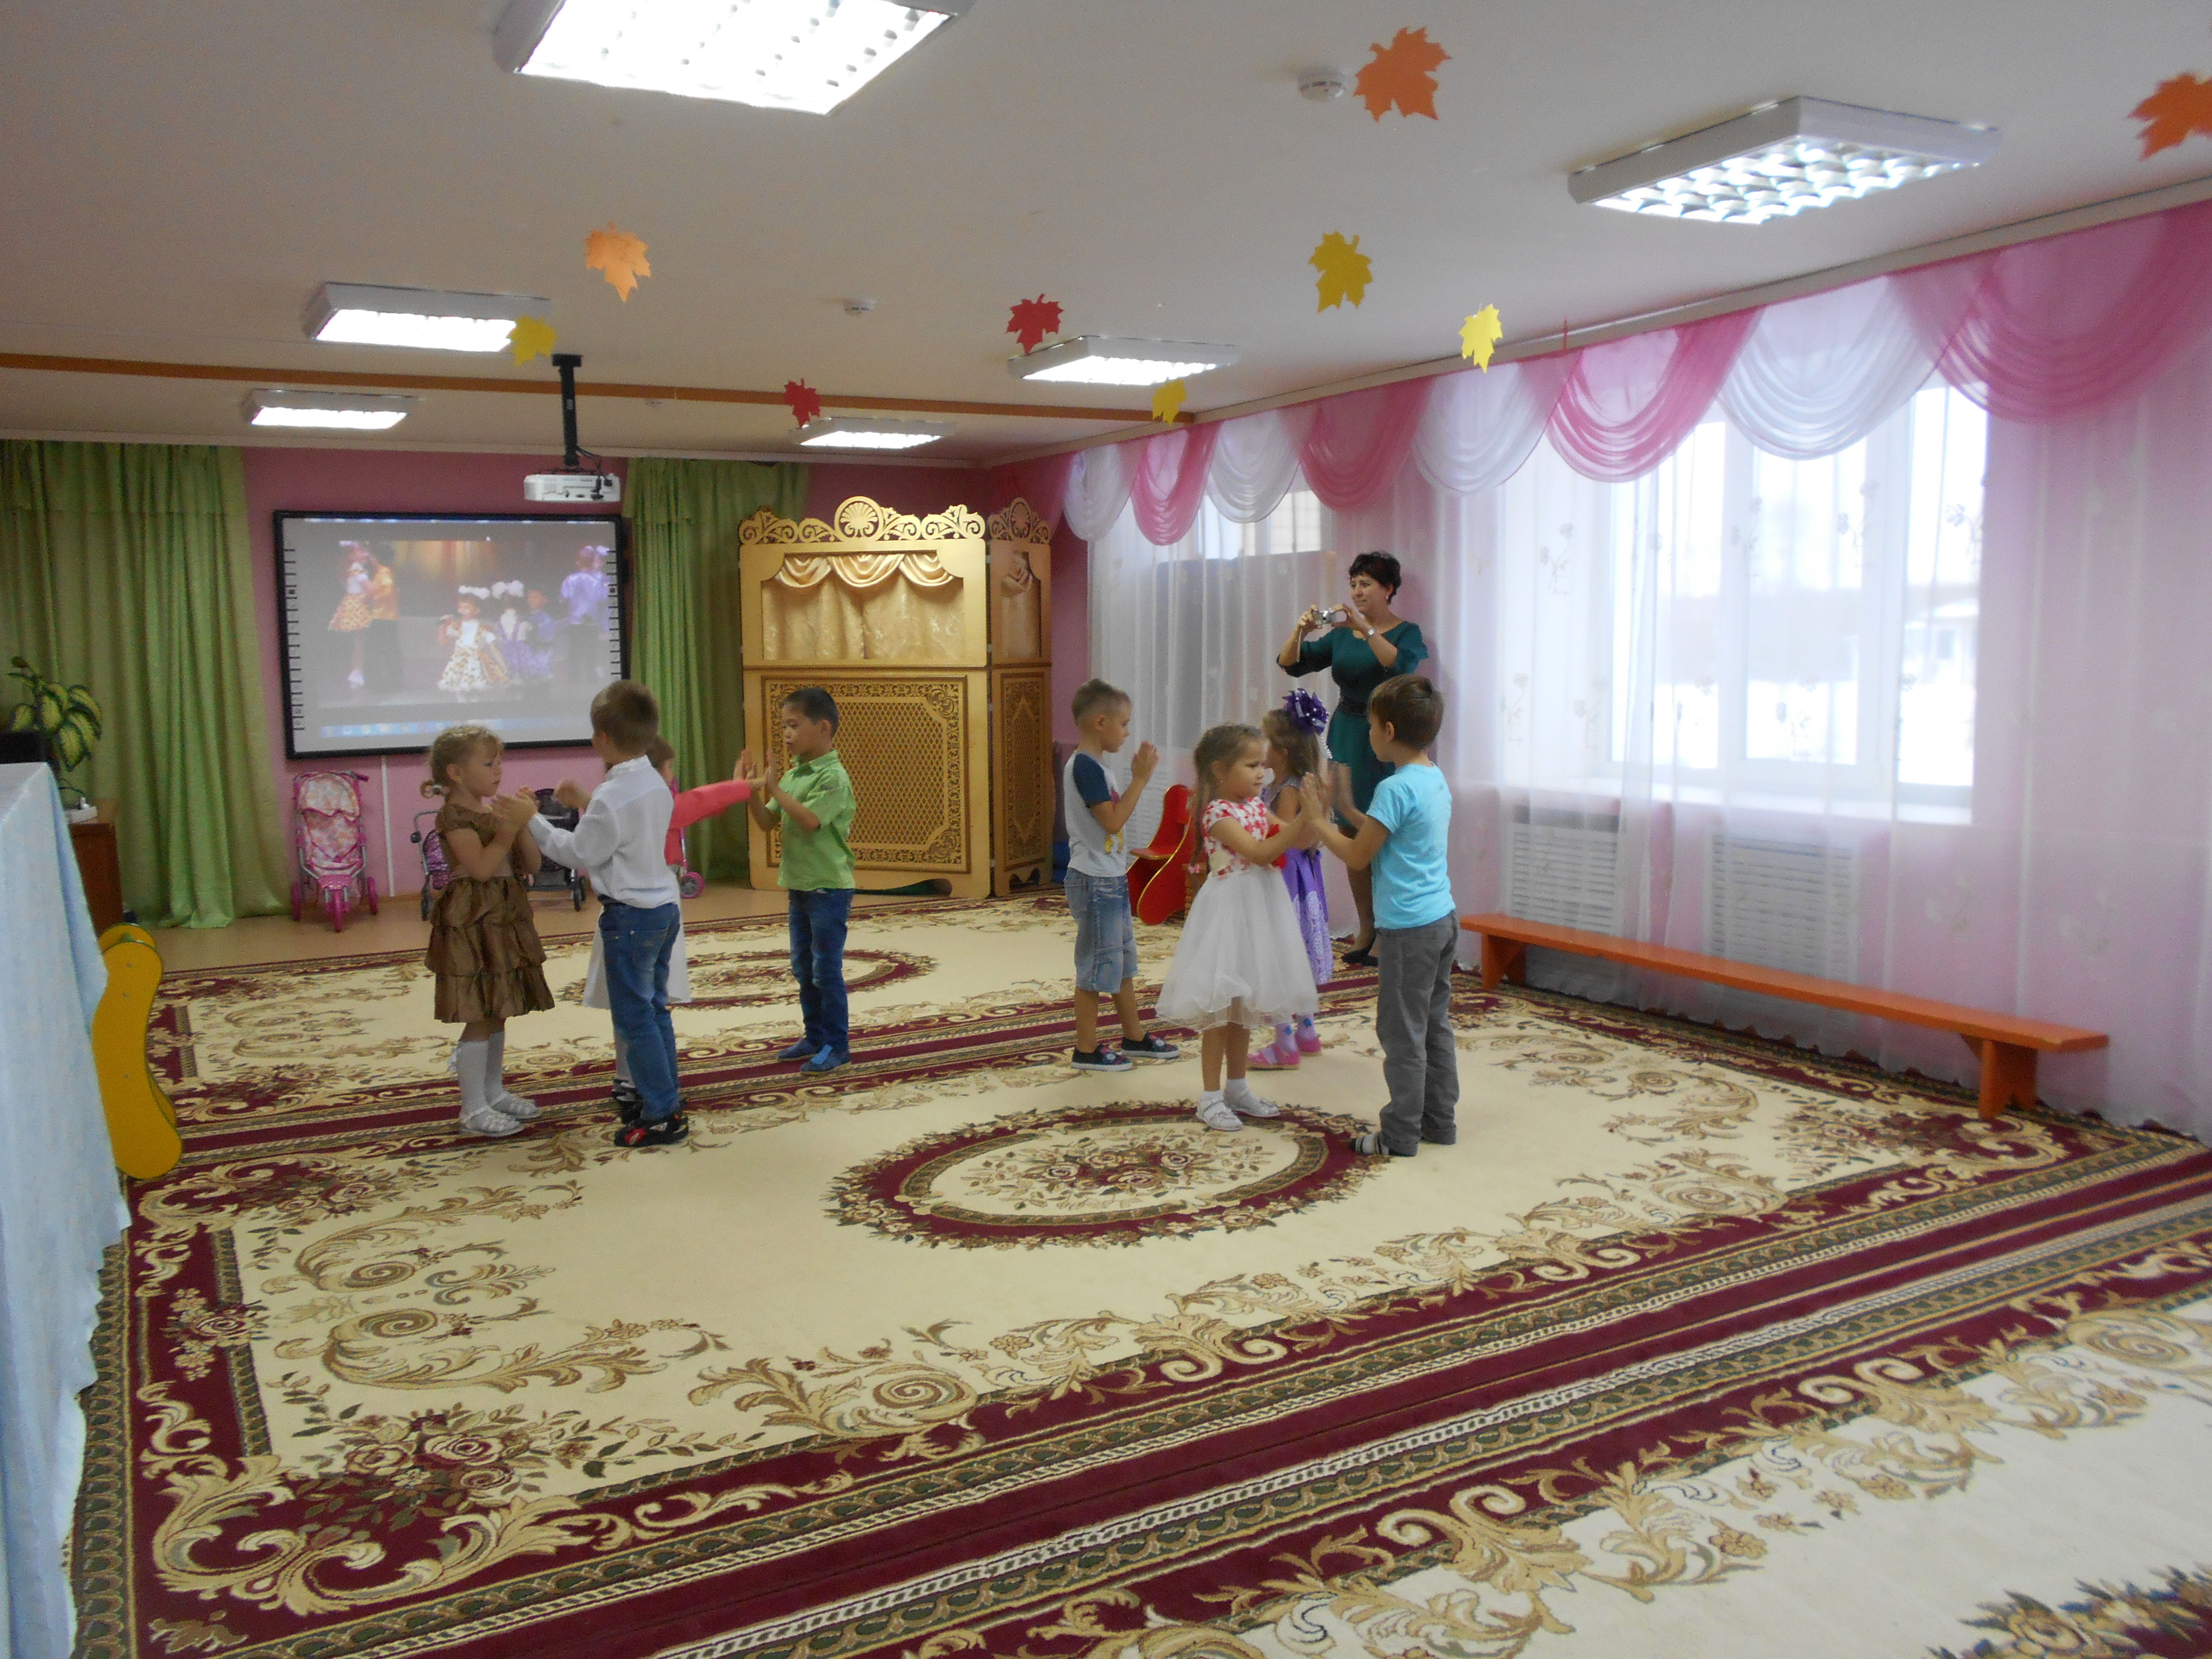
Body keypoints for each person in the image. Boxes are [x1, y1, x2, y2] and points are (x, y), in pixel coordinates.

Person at [1299, 675, 1459, 1158]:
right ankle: (1439, 1122)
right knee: (1433, 1025)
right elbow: (1388, 833)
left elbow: (1358, 855)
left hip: (1409, 929)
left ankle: (1400, 1134)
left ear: (1388, 731)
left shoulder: (1394, 788)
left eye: (1370, 726)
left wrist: (1317, 820)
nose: (1368, 734)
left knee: (1401, 1032)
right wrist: (1347, 807)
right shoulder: (1432, 777)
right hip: (1442, 919)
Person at [523, 681, 688, 1148]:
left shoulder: (611, 796)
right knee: (653, 1011)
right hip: (662, 908)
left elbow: (578, 853)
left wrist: (530, 820)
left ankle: (662, 1115)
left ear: (602, 739)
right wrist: (586, 802)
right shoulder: (653, 781)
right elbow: (618, 826)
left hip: (631, 917)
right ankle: (664, 1097)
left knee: (635, 1018)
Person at [559, 736, 752, 1121]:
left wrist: (583, 798)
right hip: (644, 909)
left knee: (634, 1005)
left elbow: (694, 804)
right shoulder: (654, 802)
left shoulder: (632, 799)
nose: (671, 776)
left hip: (634, 911)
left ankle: (634, 1080)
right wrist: (743, 787)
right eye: (668, 768)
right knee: (640, 1005)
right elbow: (697, 803)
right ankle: (636, 1081)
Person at [1155, 722, 1322, 1132]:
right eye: (1252, 765)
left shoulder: (1255, 806)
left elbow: (1294, 839)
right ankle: (1210, 1097)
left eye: (1263, 765)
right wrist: (1303, 818)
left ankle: (1237, 1087)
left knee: (1245, 1009)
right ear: (1220, 770)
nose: (1262, 773)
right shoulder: (1218, 813)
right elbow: (1260, 853)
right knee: (1220, 1011)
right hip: (1229, 914)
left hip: (1258, 913)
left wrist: (1315, 812)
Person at [1278, 550, 1429, 966]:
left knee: (1382, 832)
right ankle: (1366, 927)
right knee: (1348, 827)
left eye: (1366, 584)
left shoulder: (1406, 632)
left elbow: (1401, 666)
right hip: (1346, 731)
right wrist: (1300, 630)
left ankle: (1389, 930)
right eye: (1354, 584)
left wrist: (1364, 627)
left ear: (1389, 589)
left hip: (1387, 734)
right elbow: (1291, 664)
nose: (1358, 592)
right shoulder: (1342, 635)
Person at [420, 724, 555, 1139]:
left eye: (500, 762)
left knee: (499, 1010)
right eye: (488, 763)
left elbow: (532, 865)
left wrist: (524, 821)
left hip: (504, 917)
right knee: (479, 1013)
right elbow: (479, 869)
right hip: (473, 922)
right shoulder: (453, 815)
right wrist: (508, 827)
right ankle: (473, 1109)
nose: (499, 771)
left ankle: (493, 1093)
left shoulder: (493, 813)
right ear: (456, 774)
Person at [1062, 678, 1182, 1073]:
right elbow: (1112, 822)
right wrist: (1141, 780)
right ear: (1101, 723)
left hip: (1109, 878)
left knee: (1122, 963)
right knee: (1096, 968)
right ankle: (1085, 1049)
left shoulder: (1096, 766)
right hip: (1094, 880)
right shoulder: (1085, 767)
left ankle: (1134, 1036)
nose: (1128, 732)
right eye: (1124, 723)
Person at [739, 687, 860, 1075]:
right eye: (784, 727)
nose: (787, 734)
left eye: (794, 725)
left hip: (829, 888)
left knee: (826, 970)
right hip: (801, 887)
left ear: (823, 728)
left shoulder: (834, 778)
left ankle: (837, 1046)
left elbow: (809, 821)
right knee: (803, 969)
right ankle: (815, 1037)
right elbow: (767, 822)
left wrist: (774, 788)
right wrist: (750, 793)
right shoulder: (794, 776)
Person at [1249, 692, 1333, 1070]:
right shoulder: (1287, 784)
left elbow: (1290, 836)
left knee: (1280, 956)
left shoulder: (1289, 789)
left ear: (1281, 752)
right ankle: (1307, 1033)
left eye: (1264, 741)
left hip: (1286, 879)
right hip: (1300, 876)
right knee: (1294, 955)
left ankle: (1285, 1042)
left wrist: (1255, 814)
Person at [437, 589, 510, 696]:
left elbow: (495, 650)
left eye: (467, 608)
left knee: (476, 694)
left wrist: (504, 667)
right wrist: (443, 627)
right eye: (460, 607)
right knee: (460, 692)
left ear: (477, 610)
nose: (462, 611)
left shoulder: (483, 629)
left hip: (477, 666)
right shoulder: (456, 626)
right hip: (459, 665)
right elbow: (444, 642)